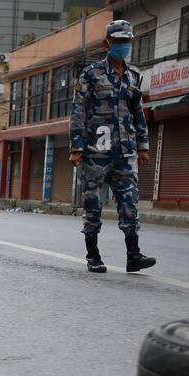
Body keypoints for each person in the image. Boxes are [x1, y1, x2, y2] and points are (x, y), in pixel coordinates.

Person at [69, 19, 155, 274]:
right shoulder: (91, 74)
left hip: (124, 152)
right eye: (118, 41)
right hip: (96, 152)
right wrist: (76, 147)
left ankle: (133, 255)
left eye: (126, 41)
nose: (123, 45)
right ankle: (93, 255)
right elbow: (77, 112)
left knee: (130, 203)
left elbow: (137, 112)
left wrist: (142, 145)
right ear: (108, 43)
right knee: (93, 203)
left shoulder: (134, 76)